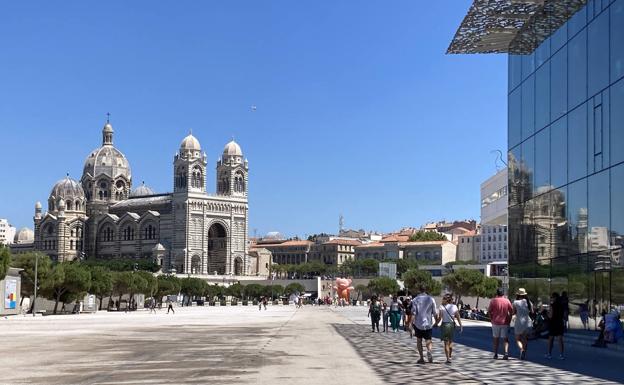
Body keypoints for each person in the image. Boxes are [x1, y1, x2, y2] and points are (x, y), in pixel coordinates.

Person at [411, 284, 438, 364]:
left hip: (418, 324)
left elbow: (414, 313)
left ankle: (421, 358)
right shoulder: (431, 299)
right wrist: (436, 322)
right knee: (428, 340)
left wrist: (410, 323)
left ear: (419, 290)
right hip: (428, 323)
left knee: (419, 340)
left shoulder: (415, 300)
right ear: (426, 290)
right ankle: (429, 351)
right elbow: (435, 312)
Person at [434, 293, 462, 364]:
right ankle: (450, 356)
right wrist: (461, 326)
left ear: (445, 299)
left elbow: (440, 318)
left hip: (445, 325)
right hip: (452, 325)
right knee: (451, 342)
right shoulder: (454, 306)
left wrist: (435, 324)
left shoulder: (442, 307)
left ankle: (448, 359)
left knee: (446, 343)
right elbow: (458, 317)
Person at [488, 288, 513, 360]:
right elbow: (511, 311)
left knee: (496, 339)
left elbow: (489, 311)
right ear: (503, 293)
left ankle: (495, 354)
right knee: (505, 339)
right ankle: (506, 353)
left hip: (495, 322)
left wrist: (491, 319)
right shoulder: (507, 301)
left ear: (497, 293)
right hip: (504, 322)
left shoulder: (493, 301)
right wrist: (509, 320)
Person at [512, 288, 533, 360]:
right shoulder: (529, 302)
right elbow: (532, 312)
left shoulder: (515, 302)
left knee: (517, 339)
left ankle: (522, 350)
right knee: (525, 339)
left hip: (519, 322)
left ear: (518, 295)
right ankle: (523, 353)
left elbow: (513, 312)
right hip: (528, 322)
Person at [546, 292, 565, 359]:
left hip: (553, 323)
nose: (551, 298)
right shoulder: (562, 305)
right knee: (560, 339)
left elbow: (550, 316)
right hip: (560, 323)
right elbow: (564, 315)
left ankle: (549, 353)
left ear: (554, 298)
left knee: (551, 339)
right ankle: (561, 354)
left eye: (552, 297)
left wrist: (547, 313)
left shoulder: (552, 305)